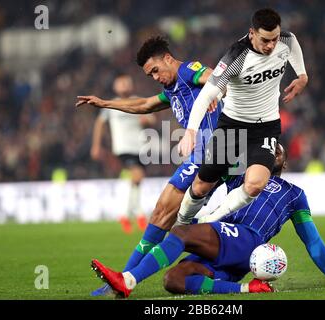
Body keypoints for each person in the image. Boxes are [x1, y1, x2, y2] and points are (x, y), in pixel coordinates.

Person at [91, 144, 325, 298]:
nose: (274, 148)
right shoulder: (243, 177)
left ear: (284, 162)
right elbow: (220, 162)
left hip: (248, 239)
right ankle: (248, 290)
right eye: (269, 146)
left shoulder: (294, 194)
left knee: (181, 233)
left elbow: (313, 241)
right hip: (230, 251)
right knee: (173, 281)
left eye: (279, 149)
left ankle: (128, 280)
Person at [76, 36, 223, 296]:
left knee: (167, 214)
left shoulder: (188, 71)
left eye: (155, 70)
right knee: (164, 215)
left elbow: (215, 76)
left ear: (167, 58)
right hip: (203, 153)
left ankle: (124, 281)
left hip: (212, 150)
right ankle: (123, 281)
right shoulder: (172, 89)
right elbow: (144, 104)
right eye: (149, 74)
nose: (154, 77)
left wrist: (214, 89)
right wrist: (105, 103)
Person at [176, 8, 309, 229]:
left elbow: (293, 42)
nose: (271, 45)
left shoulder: (285, 40)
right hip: (233, 126)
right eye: (265, 40)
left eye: (274, 39)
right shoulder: (236, 56)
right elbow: (207, 94)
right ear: (252, 33)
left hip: (266, 127)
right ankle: (180, 224)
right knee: (201, 187)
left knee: (255, 184)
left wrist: (302, 75)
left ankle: (209, 220)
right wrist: (190, 131)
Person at [90, 74, 155, 233]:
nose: (124, 85)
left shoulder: (138, 100)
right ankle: (137, 214)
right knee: (137, 175)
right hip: (123, 148)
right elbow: (99, 123)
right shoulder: (111, 104)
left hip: (139, 147)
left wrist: (146, 119)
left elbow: (152, 118)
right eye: (121, 83)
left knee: (137, 181)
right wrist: (96, 145)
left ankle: (128, 214)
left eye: (127, 82)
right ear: (115, 87)